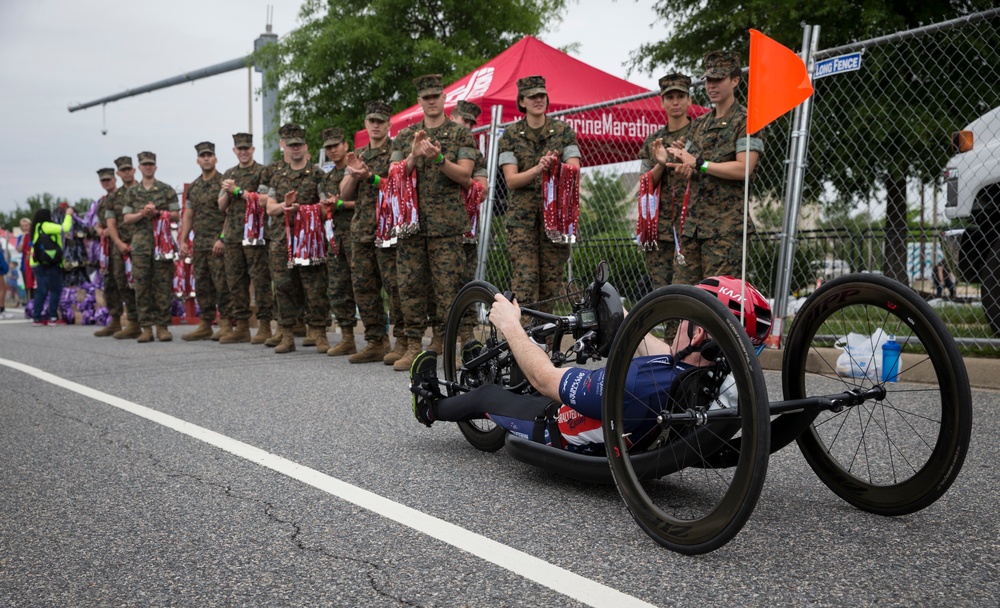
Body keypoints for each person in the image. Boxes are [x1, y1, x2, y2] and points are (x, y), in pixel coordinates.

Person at [410, 276, 771, 454]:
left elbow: (545, 379)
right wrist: (623, 316)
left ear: (696, 335)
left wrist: (510, 326)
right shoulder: (704, 382)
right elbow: (657, 348)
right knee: (539, 351)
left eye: (680, 321)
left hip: (554, 425)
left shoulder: (637, 386)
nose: (674, 326)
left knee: (489, 393)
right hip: (627, 422)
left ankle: (429, 406)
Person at [389, 74, 478, 371]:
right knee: (410, 287)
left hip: (447, 226)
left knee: (447, 288)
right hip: (412, 226)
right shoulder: (405, 136)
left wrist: (440, 159)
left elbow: (466, 176)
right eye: (425, 97)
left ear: (444, 98)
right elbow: (393, 175)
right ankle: (414, 345)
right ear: (419, 101)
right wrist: (413, 156)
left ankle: (448, 344)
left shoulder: (460, 134)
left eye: (435, 96)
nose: (431, 101)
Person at [666, 51, 765, 284]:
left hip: (725, 232)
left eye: (718, 79)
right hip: (693, 228)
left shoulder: (747, 120)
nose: (712, 85)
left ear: (735, 80)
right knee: (682, 298)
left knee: (717, 301)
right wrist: (678, 163)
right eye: (709, 80)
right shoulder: (700, 123)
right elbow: (687, 164)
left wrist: (699, 164)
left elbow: (744, 169)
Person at [497, 75, 581, 314]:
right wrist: (538, 168)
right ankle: (521, 336)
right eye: (532, 96)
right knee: (525, 279)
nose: (538, 100)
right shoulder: (511, 136)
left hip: (555, 220)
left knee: (550, 281)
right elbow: (512, 181)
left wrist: (557, 166)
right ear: (521, 101)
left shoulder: (563, 131)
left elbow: (574, 170)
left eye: (542, 95)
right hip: (522, 221)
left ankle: (542, 336)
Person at [261, 123, 329, 354]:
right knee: (283, 287)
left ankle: (319, 332)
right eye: (291, 145)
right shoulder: (278, 176)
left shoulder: (318, 174)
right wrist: (285, 206)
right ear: (285, 148)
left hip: (309, 241)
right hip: (282, 240)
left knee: (314, 287)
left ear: (306, 146)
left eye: (299, 145)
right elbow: (269, 207)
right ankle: (287, 334)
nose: (295, 149)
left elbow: (324, 207)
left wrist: (308, 210)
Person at [341, 100, 398, 364]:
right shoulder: (358, 155)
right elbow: (344, 194)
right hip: (361, 230)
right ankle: (375, 341)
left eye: (380, 121)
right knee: (363, 287)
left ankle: (402, 341)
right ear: (366, 124)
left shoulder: (396, 151)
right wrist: (354, 174)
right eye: (371, 121)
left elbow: (401, 187)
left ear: (388, 124)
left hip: (388, 229)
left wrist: (370, 176)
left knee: (394, 286)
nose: (375, 125)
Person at [638, 73, 695, 288]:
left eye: (681, 96)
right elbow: (645, 182)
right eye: (670, 97)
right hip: (660, 228)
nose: (675, 102)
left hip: (692, 226)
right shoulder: (654, 141)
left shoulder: (699, 133)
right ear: (662, 102)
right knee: (662, 291)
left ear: (689, 100)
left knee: (689, 290)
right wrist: (660, 164)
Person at [219, 132, 273, 345]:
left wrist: (238, 190)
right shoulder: (229, 173)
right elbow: (221, 206)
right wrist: (227, 193)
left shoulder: (262, 171)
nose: (243, 152)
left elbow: (261, 200)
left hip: (256, 235)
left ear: (252, 150)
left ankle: (265, 325)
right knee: (235, 281)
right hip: (233, 235)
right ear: (234, 151)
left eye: (246, 149)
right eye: (239, 149)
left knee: (260, 280)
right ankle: (241, 326)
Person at [121, 151, 181, 342]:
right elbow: (126, 218)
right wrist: (142, 213)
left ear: (155, 167)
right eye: (144, 164)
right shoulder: (132, 192)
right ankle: (146, 327)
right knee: (142, 287)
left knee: (163, 286)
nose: (148, 167)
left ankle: (162, 327)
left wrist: (158, 212)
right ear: (139, 168)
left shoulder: (166, 189)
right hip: (141, 246)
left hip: (162, 246)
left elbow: (176, 215)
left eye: (151, 164)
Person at [180, 142, 233, 342]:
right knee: (202, 285)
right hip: (200, 244)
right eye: (203, 156)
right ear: (198, 160)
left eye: (210, 155)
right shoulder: (194, 187)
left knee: (222, 284)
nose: (206, 158)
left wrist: (222, 238)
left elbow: (230, 214)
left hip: (218, 243)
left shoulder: (223, 182)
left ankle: (226, 324)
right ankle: (205, 324)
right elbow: (188, 215)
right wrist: (184, 240)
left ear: (215, 158)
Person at [317, 127, 359, 356]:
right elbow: (323, 211)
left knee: (363, 287)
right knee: (338, 288)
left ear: (345, 145)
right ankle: (347, 337)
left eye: (336, 145)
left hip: (358, 235)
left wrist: (341, 204)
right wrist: (328, 206)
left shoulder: (356, 169)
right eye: (328, 147)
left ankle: (377, 339)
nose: (333, 150)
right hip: (336, 240)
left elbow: (367, 201)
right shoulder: (328, 178)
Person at [104, 155, 142, 339]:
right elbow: (110, 223)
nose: (127, 172)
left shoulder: (143, 191)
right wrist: (118, 243)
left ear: (134, 170)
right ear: (118, 174)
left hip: (142, 244)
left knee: (144, 283)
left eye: (129, 169)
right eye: (123, 170)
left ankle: (150, 324)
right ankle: (133, 323)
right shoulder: (114, 197)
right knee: (123, 284)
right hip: (121, 247)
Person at [29, 207, 74, 326]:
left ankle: (37, 317)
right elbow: (65, 228)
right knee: (55, 289)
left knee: (41, 290)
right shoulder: (46, 225)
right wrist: (68, 215)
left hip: (37, 262)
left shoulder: (36, 227)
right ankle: (53, 317)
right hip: (50, 263)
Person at [93, 167, 123, 337]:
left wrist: (111, 231)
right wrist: (100, 231)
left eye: (109, 180)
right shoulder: (102, 202)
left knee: (125, 284)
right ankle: (115, 320)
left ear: (115, 179)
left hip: (121, 244)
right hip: (107, 249)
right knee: (110, 284)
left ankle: (136, 321)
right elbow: (99, 224)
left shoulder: (123, 196)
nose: (107, 183)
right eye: (103, 181)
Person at [17, 217, 34, 303]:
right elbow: (19, 250)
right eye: (22, 226)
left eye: (26, 225)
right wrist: (23, 238)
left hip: (34, 264)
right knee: (27, 286)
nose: (24, 228)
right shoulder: (21, 237)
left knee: (34, 286)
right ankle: (29, 303)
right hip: (25, 266)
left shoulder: (34, 236)